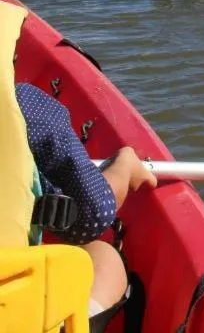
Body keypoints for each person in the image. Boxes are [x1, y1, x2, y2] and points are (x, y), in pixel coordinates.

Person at [15, 82, 157, 326]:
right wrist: (121, 171)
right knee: (103, 256)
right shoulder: (26, 107)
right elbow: (91, 216)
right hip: (14, 314)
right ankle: (72, 325)